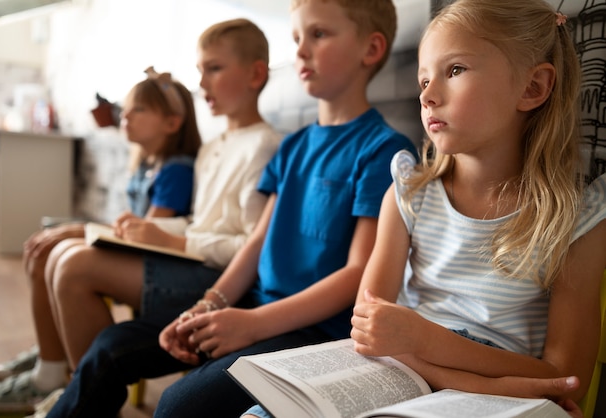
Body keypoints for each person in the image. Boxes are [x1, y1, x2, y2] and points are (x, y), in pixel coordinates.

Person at [45, 1, 417, 416]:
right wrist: (209, 305)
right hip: (253, 308)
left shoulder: (383, 150)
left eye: (319, 34)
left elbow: (357, 276)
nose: (300, 50)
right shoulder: (293, 146)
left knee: (177, 406)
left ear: (371, 49)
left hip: (314, 334)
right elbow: (258, 241)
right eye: (296, 38)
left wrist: (252, 325)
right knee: (109, 349)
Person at [347, 0, 604, 415]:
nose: (428, 95)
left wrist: (426, 345)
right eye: (423, 79)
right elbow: (368, 327)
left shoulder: (576, 220)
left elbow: (565, 378)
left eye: (454, 70)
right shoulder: (408, 195)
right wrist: (427, 354)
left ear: (532, 88)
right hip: (403, 375)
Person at [0, 67, 200, 414]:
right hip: (143, 256)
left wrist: (79, 231)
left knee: (66, 253)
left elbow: (146, 237)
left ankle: (72, 383)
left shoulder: (176, 170)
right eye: (126, 108)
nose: (125, 115)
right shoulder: (147, 165)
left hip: (161, 262)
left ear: (172, 123)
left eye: (138, 109)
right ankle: (51, 361)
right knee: (45, 243)